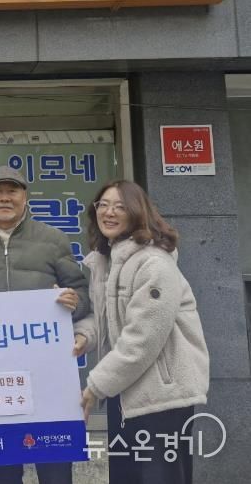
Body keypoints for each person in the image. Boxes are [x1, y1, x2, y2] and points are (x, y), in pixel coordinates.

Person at [73, 179, 209, 484]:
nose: (109, 212)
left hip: (161, 398)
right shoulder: (106, 261)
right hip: (124, 392)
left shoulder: (154, 263)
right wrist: (84, 336)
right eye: (103, 205)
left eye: (120, 206)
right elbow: (104, 318)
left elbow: (143, 339)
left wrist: (95, 387)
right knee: (127, 476)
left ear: (137, 212)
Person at [0, 165, 89, 484]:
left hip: (48, 372)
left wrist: (73, 302)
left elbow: (82, 293)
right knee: (4, 470)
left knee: (55, 467)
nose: (5, 198)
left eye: (12, 191)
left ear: (25, 197)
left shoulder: (53, 239)